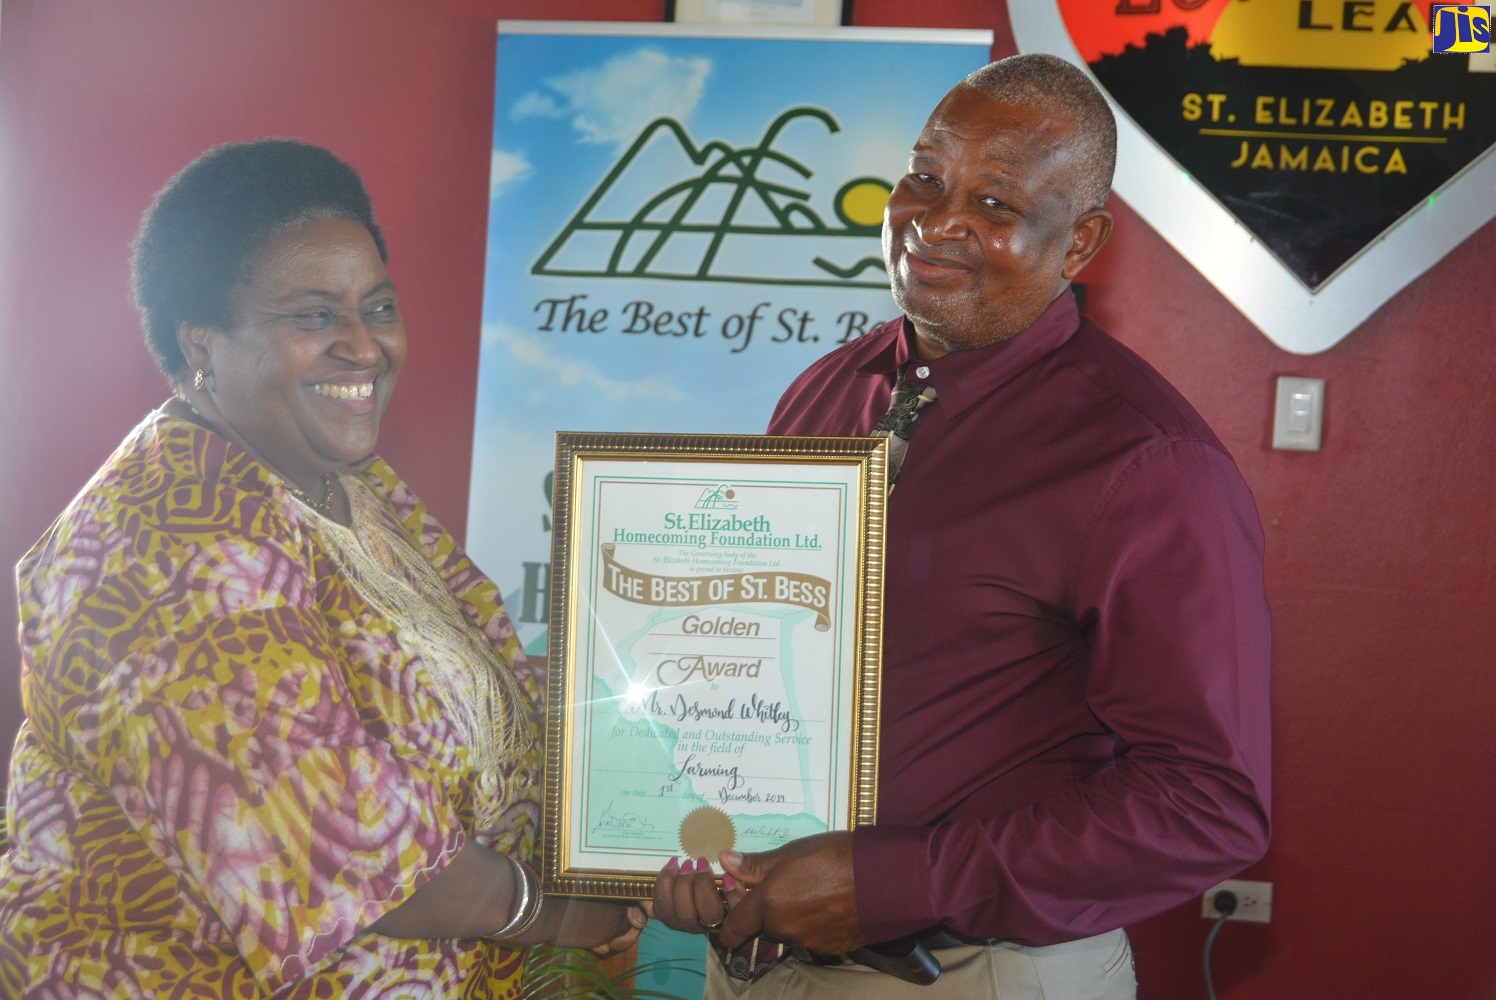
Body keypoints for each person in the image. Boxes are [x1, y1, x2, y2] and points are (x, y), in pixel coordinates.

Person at [652, 53, 1272, 999]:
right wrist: (683, 832)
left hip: (976, 975)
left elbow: (1209, 806)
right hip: (754, 963)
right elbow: (749, 657)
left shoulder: (1145, 466)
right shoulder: (824, 391)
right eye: (926, 178)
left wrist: (899, 882)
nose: (937, 222)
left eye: (997, 205)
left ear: (1080, 243)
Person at [0, 139, 644, 997]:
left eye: (376, 306)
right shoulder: (172, 541)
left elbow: (468, 695)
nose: (363, 346)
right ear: (202, 343)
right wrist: (570, 914)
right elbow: (350, 847)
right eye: (312, 316)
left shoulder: (343, 487)